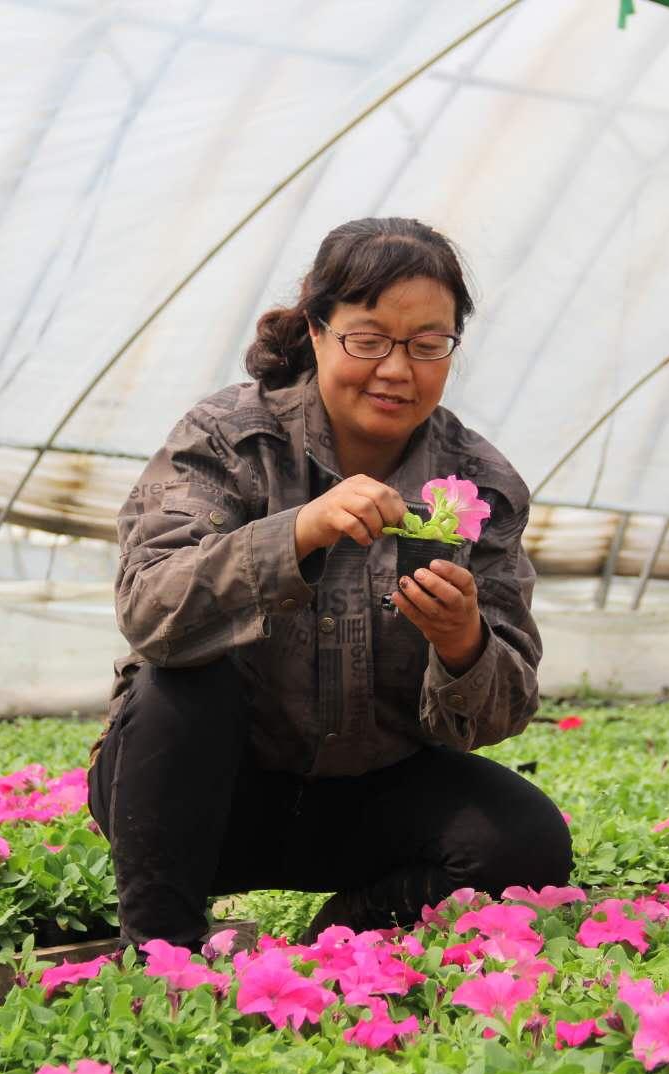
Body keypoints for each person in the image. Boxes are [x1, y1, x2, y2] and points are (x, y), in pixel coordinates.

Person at [85, 217, 572, 951]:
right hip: (201, 805)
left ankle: (351, 933)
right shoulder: (231, 439)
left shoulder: (481, 485)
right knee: (182, 680)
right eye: (367, 339)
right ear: (316, 330)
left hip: (364, 800)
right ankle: (163, 955)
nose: (396, 371)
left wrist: (464, 644)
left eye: (426, 345)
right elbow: (150, 608)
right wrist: (296, 533)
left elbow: (499, 714)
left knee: (528, 843)